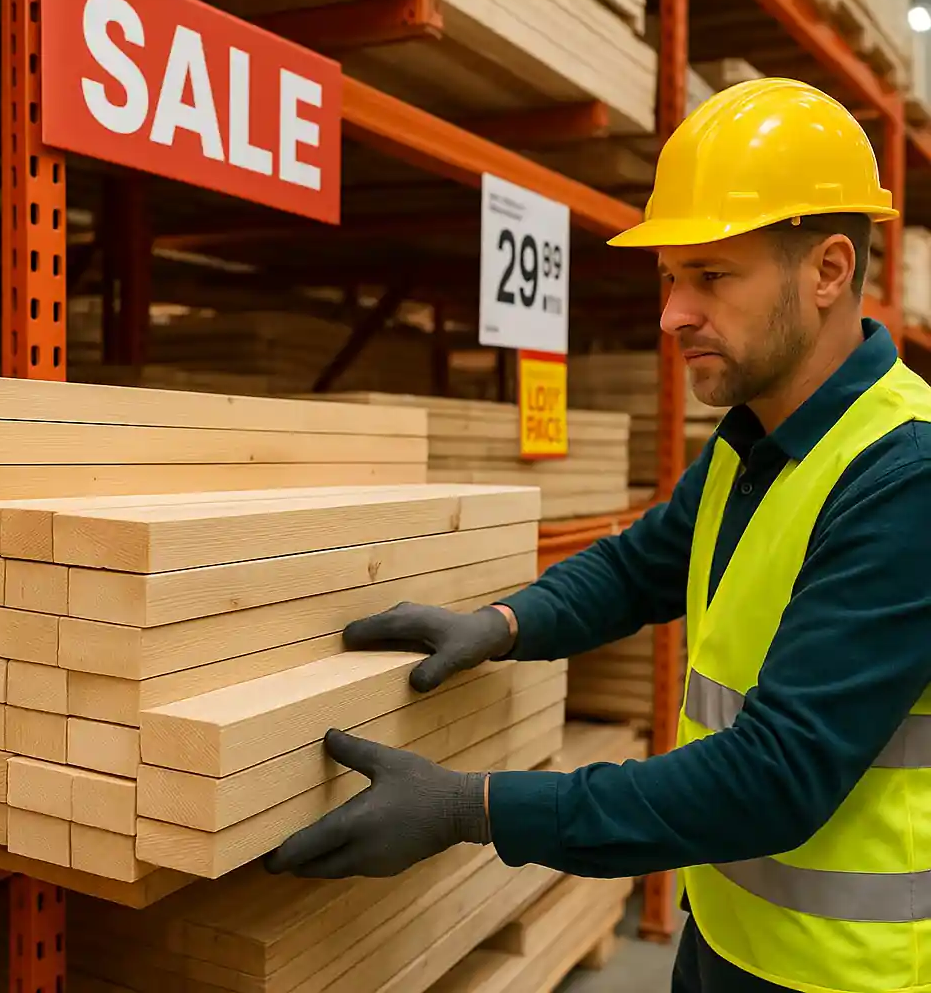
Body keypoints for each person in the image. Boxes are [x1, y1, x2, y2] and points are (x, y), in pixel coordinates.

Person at [264, 78, 931, 993]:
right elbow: (642, 565)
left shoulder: (904, 480)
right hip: (729, 936)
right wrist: (504, 623)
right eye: (668, 280)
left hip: (846, 978)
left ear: (827, 271)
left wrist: (475, 808)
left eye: (712, 276)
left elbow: (773, 776)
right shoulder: (760, 438)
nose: (672, 316)